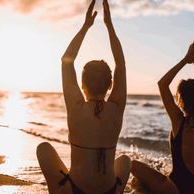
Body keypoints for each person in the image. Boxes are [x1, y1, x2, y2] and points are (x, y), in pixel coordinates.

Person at [36, 0, 130, 193]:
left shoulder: (76, 107)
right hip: (109, 190)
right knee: (126, 161)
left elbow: (66, 62)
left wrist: (86, 26)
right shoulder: (116, 107)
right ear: (110, 85)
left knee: (43, 148)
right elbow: (121, 64)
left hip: (75, 190)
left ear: (82, 85)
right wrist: (109, 26)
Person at [131, 40, 194, 194]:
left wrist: (185, 60)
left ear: (180, 99)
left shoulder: (179, 121)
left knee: (131, 164)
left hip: (176, 189)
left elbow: (162, 84)